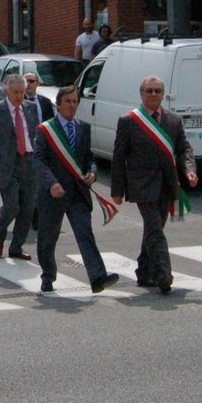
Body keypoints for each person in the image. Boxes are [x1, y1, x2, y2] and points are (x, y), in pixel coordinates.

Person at [111, 74, 197, 293]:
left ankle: (143, 271)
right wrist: (117, 190)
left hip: (168, 185)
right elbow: (119, 156)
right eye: (149, 91)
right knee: (155, 230)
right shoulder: (129, 121)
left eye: (157, 91)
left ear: (163, 94)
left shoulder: (173, 120)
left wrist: (189, 171)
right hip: (142, 185)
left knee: (153, 229)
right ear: (141, 94)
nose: (153, 95)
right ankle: (163, 275)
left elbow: (183, 149)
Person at [34, 85, 116, 294]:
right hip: (54, 193)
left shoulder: (83, 128)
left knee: (85, 233)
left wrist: (92, 172)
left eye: (75, 102)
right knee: (47, 239)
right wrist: (51, 183)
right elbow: (39, 161)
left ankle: (97, 277)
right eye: (68, 101)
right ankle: (48, 276)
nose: (72, 105)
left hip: (78, 193)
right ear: (58, 104)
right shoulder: (46, 130)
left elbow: (89, 158)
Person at [0, 72, 43, 260]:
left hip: (30, 163)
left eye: (22, 92)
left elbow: (37, 135)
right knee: (12, 206)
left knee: (27, 209)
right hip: (7, 165)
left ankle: (16, 246)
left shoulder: (31, 108)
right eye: (15, 92)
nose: (19, 96)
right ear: (6, 91)